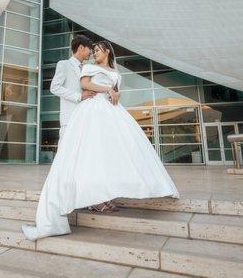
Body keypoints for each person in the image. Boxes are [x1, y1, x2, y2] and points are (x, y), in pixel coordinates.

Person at [21, 40, 179, 241]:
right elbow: (84, 84)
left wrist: (116, 93)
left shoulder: (116, 73)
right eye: (92, 49)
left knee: (112, 154)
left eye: (97, 50)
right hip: (91, 111)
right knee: (89, 154)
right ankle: (93, 199)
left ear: (107, 51)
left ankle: (104, 195)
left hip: (111, 114)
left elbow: (116, 93)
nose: (94, 53)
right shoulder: (88, 67)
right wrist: (107, 90)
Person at [49, 34, 99, 143]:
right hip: (70, 117)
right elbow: (54, 88)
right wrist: (79, 96)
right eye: (89, 49)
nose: (91, 52)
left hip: (85, 118)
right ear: (81, 47)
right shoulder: (64, 64)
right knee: (65, 152)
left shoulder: (87, 68)